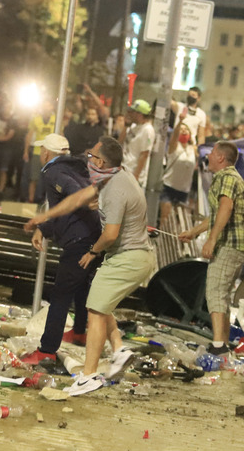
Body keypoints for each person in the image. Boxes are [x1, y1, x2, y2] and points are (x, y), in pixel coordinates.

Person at [24, 137, 154, 396]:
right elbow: (78, 197)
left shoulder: (114, 188)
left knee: (94, 308)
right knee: (99, 304)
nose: (88, 160)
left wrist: (92, 252)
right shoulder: (112, 177)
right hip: (125, 256)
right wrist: (45, 218)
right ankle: (118, 349)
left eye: (92, 155)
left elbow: (111, 235)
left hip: (126, 257)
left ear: (102, 162)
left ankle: (89, 375)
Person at [20, 134, 102, 365]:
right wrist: (44, 230)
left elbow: (73, 196)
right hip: (94, 236)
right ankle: (79, 332)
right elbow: (63, 208)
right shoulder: (78, 166)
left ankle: (46, 351)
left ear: (46, 153)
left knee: (61, 294)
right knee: (81, 287)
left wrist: (84, 201)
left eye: (41, 151)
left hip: (79, 238)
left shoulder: (53, 172)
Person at [177, 141, 244, 355]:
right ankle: (224, 343)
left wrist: (211, 240)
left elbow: (225, 209)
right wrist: (194, 232)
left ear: (220, 157)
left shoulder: (227, 178)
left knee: (215, 291)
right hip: (237, 245)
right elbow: (217, 214)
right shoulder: (229, 177)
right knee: (223, 293)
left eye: (211, 153)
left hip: (230, 243)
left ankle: (218, 345)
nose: (207, 156)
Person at [159, 122, 197, 224]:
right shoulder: (174, 146)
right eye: (181, 129)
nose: (184, 130)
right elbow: (174, 137)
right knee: (166, 219)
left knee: (181, 221)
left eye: (186, 129)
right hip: (169, 187)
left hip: (184, 190)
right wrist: (179, 122)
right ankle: (162, 239)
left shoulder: (193, 149)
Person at [22, 99, 57, 202]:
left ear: (52, 107)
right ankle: (31, 200)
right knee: (34, 177)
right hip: (38, 151)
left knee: (50, 178)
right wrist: (26, 150)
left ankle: (48, 201)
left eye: (48, 105)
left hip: (51, 152)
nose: (46, 108)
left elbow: (60, 133)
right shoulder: (36, 119)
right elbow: (29, 135)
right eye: (44, 106)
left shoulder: (56, 119)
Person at [122, 99, 155, 188]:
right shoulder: (133, 126)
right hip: (123, 170)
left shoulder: (147, 130)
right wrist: (125, 126)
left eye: (133, 112)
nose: (130, 114)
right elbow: (119, 143)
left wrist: (135, 176)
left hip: (132, 175)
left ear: (139, 114)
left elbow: (144, 154)